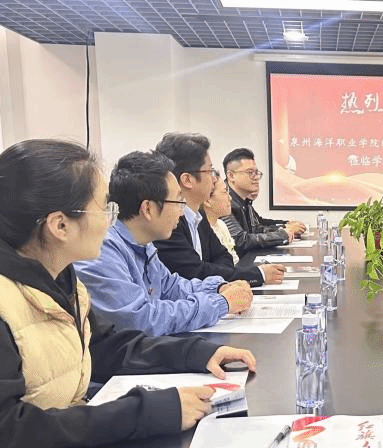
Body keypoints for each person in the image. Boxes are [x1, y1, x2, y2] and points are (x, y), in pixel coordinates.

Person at [0, 139, 256, 448]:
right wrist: (143, 413)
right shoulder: (7, 301)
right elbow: (8, 433)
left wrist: (195, 353)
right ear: (60, 225)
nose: (110, 221)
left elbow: (105, 346)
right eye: (102, 209)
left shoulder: (63, 280)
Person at [75, 151, 252, 336]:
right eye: (178, 202)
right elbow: (142, 319)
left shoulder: (144, 245)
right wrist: (221, 303)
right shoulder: (102, 253)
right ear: (148, 208)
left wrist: (218, 288)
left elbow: (171, 287)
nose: (181, 213)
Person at [152, 133, 284, 285]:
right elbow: (195, 273)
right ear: (187, 180)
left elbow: (223, 256)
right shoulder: (167, 222)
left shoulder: (198, 215)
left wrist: (216, 272)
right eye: (209, 171)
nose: (214, 178)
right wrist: (258, 274)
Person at [222, 147, 306, 255]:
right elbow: (240, 241)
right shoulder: (223, 201)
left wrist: (285, 226)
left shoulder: (244, 201)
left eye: (256, 172)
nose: (256, 177)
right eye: (250, 172)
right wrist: (283, 234)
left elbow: (257, 228)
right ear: (231, 176)